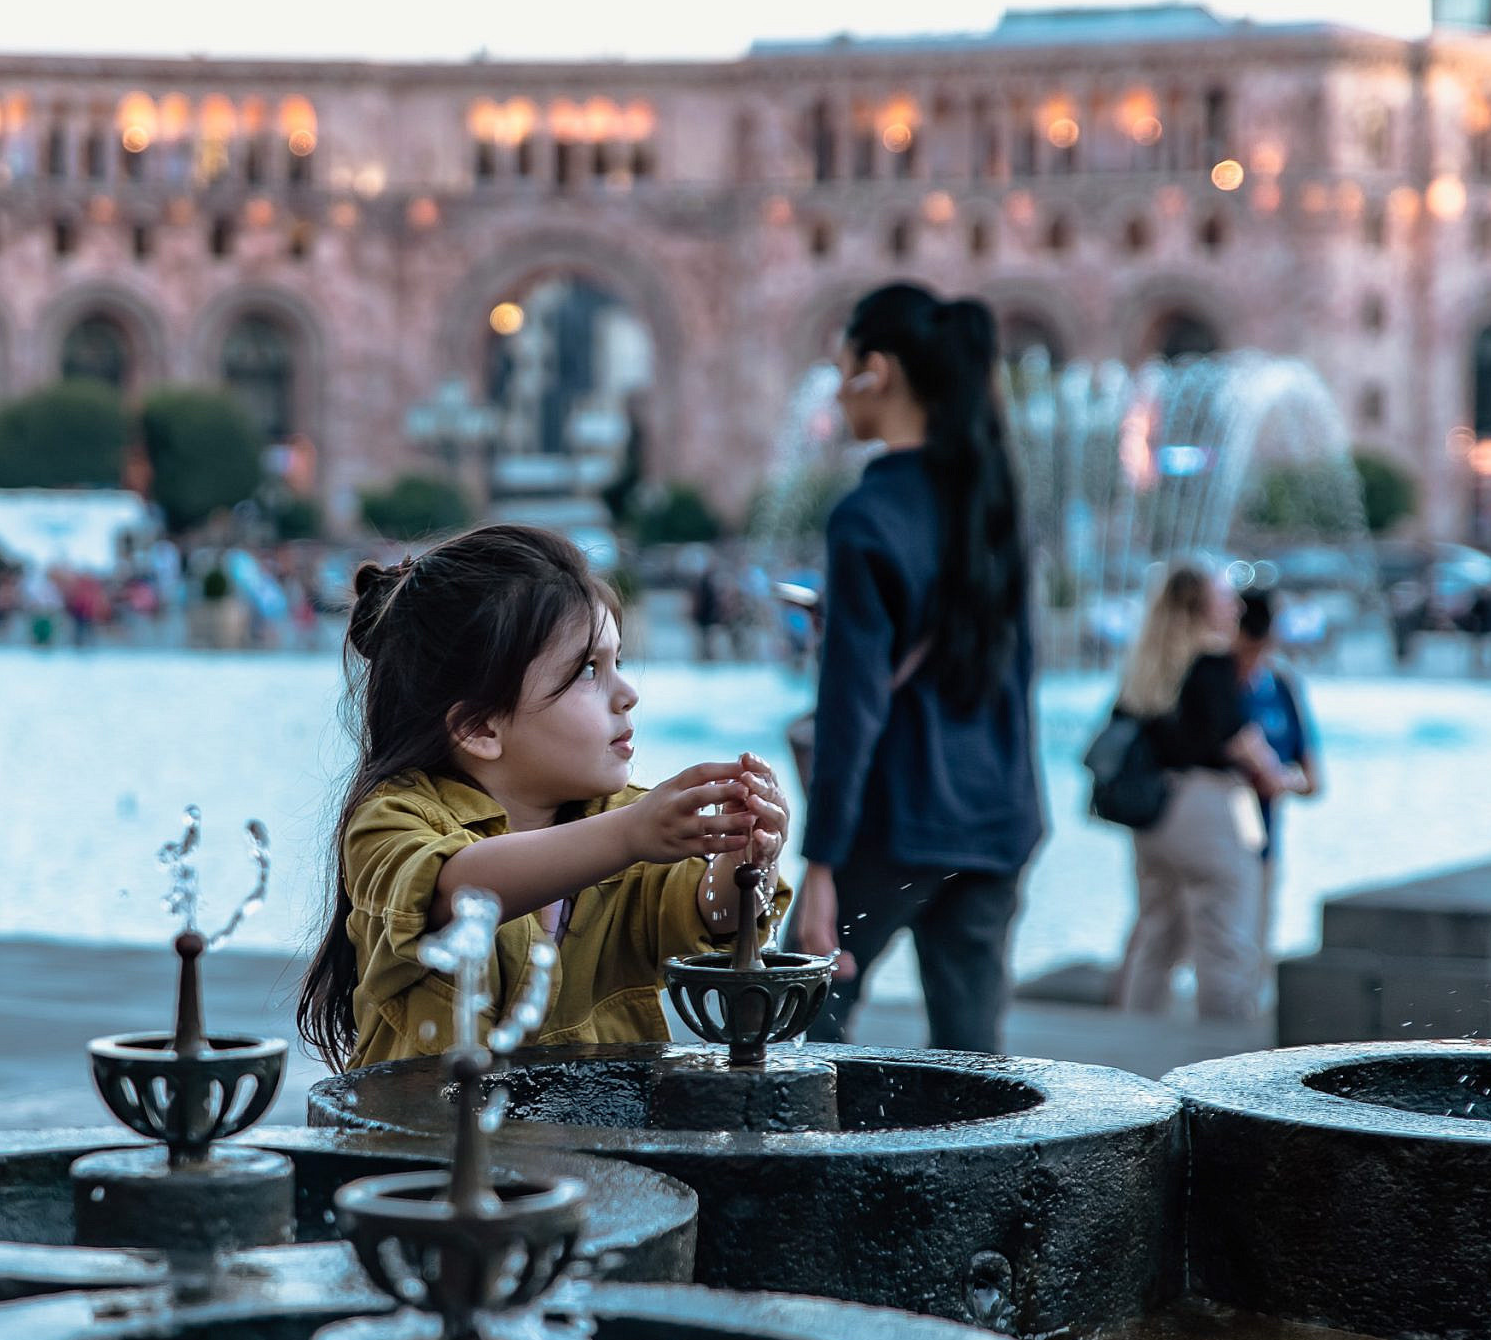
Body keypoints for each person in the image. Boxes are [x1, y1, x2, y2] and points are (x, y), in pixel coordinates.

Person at [295, 524, 790, 1071]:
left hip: (591, 1148)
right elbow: (453, 889)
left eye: (617, 662)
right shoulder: (391, 818)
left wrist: (746, 861)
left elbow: (709, 914)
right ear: (481, 727)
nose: (628, 693)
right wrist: (629, 836)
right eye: (587, 671)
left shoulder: (622, 822)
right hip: (429, 1146)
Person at [787, 283, 1042, 1055]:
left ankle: (810, 1179)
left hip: (895, 821)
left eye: (842, 367)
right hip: (998, 817)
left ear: (879, 371)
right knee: (976, 1068)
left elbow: (853, 704)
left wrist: (821, 863)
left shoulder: (867, 517)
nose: (835, 389)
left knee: (805, 1030)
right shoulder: (995, 503)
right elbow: (1020, 681)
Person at [1112, 563, 1296, 1019]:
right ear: (1201, 606)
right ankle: (1226, 1059)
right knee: (1226, 939)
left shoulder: (1146, 665)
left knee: (1156, 937)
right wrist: (1276, 775)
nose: (1234, 606)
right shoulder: (1212, 661)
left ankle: (1132, 1043)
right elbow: (1234, 736)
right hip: (1211, 806)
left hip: (1156, 814)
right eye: (1223, 597)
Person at [1234, 589, 1321, 996]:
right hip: (1218, 823)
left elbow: (1313, 780)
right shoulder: (1216, 680)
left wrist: (1276, 778)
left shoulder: (1282, 686)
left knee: (1255, 930)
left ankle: (1245, 1011)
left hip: (1259, 828)